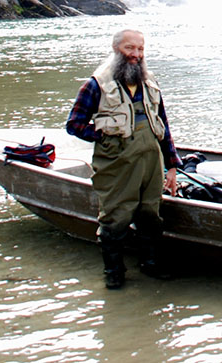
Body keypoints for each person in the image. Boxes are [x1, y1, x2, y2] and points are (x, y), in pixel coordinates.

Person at [66, 29, 180, 289]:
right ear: (117, 49)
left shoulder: (150, 81)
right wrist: (104, 136)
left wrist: (171, 165)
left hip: (151, 162)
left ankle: (150, 265)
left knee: (151, 215)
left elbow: (164, 125)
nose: (136, 55)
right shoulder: (96, 84)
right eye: (130, 49)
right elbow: (74, 124)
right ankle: (114, 272)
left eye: (140, 49)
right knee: (115, 218)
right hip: (116, 164)